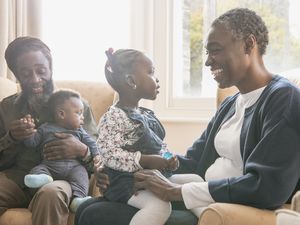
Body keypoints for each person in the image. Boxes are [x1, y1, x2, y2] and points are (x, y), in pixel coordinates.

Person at [75, 8, 300, 225]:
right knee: (88, 207)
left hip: (226, 206)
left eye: (215, 50)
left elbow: (268, 186)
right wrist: (121, 171)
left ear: (249, 44)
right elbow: (193, 161)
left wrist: (177, 191)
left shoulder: (283, 99)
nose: (208, 61)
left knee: (95, 214)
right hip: (200, 196)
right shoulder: (232, 103)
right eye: (207, 53)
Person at [96, 48, 203, 225]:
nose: (157, 79)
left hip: (153, 175)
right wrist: (146, 160)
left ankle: (211, 218)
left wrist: (168, 158)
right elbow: (109, 153)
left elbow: (158, 145)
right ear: (131, 81)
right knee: (160, 206)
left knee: (196, 181)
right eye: (151, 72)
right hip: (127, 182)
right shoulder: (113, 116)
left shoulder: (144, 114)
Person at [0, 36, 98, 225]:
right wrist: (11, 137)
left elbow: (102, 160)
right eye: (26, 74)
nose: (36, 79)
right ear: (16, 75)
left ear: (51, 67)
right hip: (17, 177)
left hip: (61, 177)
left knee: (51, 193)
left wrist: (81, 150)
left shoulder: (77, 106)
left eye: (41, 70)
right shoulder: (6, 108)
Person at [22, 89, 100, 213]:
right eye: (78, 113)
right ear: (61, 114)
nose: (82, 117)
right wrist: (28, 132)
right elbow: (32, 143)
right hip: (49, 166)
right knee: (39, 168)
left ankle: (78, 199)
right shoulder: (45, 128)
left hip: (74, 168)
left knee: (82, 175)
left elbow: (93, 144)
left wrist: (95, 156)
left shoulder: (80, 131)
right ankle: (41, 178)